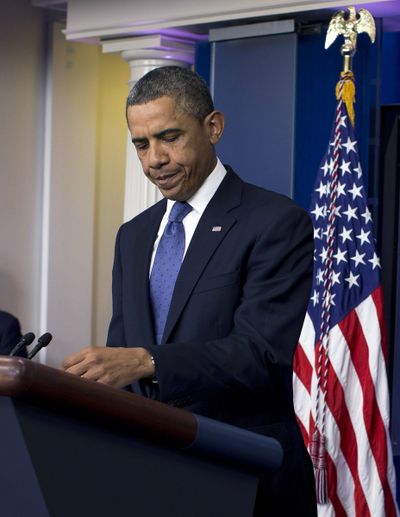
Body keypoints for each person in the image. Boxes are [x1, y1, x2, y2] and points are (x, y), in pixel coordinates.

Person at [63, 66, 317, 515]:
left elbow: (260, 354)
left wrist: (147, 361)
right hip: (150, 475)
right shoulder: (134, 236)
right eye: (141, 144)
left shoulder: (275, 221)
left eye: (169, 137)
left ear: (213, 127)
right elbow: (124, 352)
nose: (153, 159)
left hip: (242, 477)